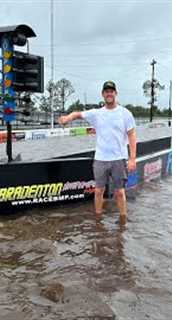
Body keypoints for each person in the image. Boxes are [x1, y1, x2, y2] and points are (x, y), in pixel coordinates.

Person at [58, 81, 136, 224]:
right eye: (106, 91)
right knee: (99, 191)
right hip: (100, 159)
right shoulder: (96, 114)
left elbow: (131, 136)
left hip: (119, 159)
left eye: (111, 91)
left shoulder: (125, 114)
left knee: (119, 192)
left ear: (115, 94)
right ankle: (98, 219)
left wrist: (132, 159)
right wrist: (67, 118)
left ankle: (123, 220)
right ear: (103, 94)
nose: (109, 93)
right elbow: (77, 114)